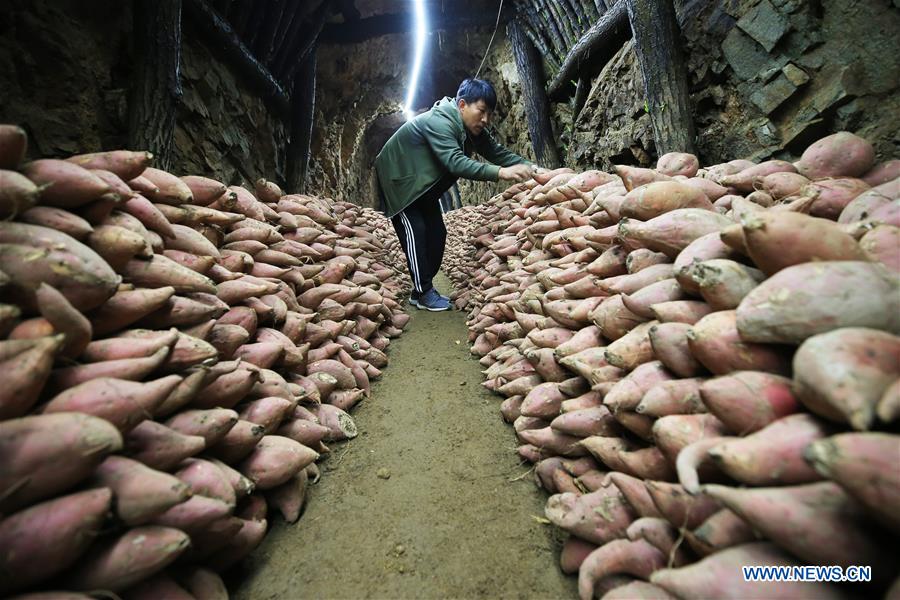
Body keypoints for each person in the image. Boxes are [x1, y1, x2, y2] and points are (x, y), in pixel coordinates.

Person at [375, 78, 538, 311]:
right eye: (481, 111)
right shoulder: (440, 121)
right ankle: (423, 292)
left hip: (424, 189)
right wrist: (501, 173)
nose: (486, 119)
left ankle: (421, 290)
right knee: (416, 232)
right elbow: (455, 162)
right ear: (462, 105)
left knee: (437, 234)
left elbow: (497, 152)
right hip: (401, 183)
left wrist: (533, 169)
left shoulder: (472, 129)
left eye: (490, 114)